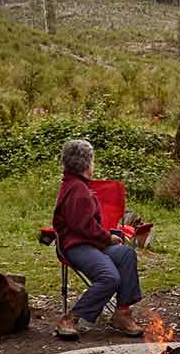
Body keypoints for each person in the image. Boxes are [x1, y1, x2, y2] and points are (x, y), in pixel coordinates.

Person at [52, 138, 145, 340]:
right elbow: (83, 227)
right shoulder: (77, 190)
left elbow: (87, 226)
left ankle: (122, 312)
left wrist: (108, 238)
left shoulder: (77, 185)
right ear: (86, 164)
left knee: (126, 254)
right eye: (92, 161)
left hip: (91, 244)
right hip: (77, 246)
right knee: (109, 277)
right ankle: (71, 318)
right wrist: (108, 238)